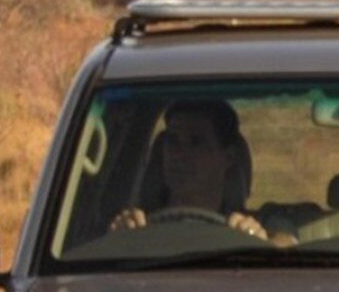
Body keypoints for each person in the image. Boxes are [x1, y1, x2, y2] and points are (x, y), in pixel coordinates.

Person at [107, 99, 289, 242]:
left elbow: (289, 246)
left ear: (228, 158)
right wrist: (118, 241)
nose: (179, 154)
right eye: (172, 141)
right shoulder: (137, 228)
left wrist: (259, 244)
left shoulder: (257, 225)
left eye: (196, 142)